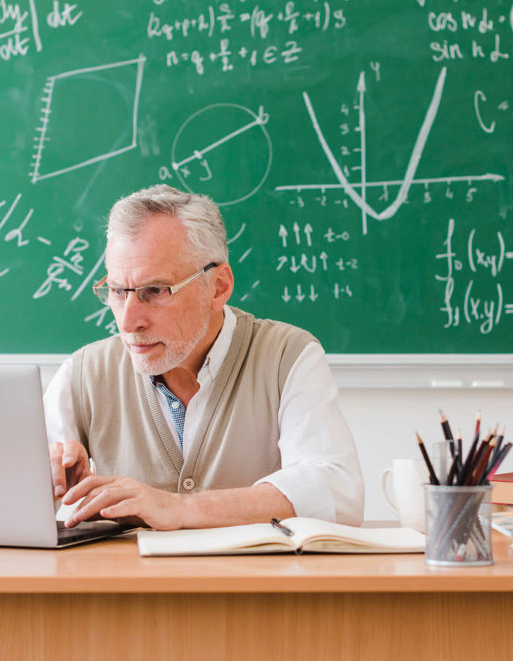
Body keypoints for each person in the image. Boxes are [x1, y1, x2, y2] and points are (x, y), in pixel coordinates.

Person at [43, 184, 363, 530]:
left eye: (155, 291)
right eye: (118, 292)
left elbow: (338, 492)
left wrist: (179, 509)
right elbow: (7, 495)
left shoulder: (288, 357)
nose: (128, 321)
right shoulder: (84, 373)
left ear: (218, 287)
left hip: (254, 584)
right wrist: (49, 483)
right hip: (129, 584)